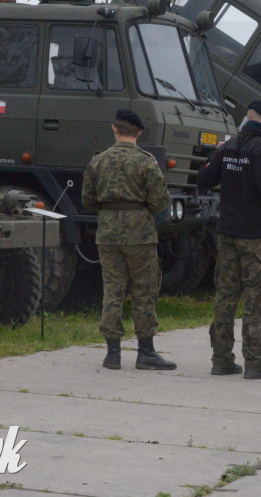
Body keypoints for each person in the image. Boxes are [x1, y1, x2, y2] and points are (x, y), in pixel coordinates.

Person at [197, 100, 261, 379]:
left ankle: (221, 359)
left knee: (225, 296)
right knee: (254, 298)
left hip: (228, 233)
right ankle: (255, 362)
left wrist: (215, 157)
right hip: (255, 237)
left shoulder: (228, 147)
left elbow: (204, 179)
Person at [82, 109, 174, 371]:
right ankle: (145, 351)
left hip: (108, 231)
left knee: (113, 289)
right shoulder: (146, 161)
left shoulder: (98, 160)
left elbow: (87, 200)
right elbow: (160, 200)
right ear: (140, 133)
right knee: (144, 289)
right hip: (139, 233)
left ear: (114, 129)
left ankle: (112, 354)